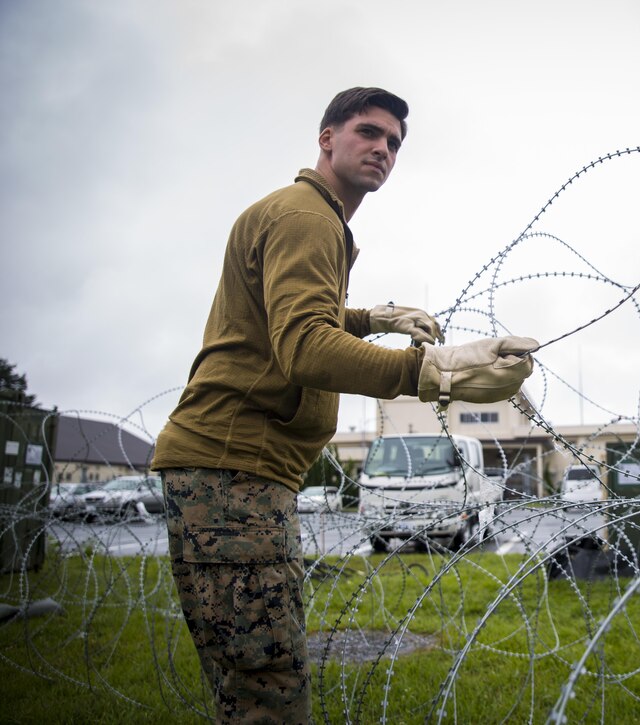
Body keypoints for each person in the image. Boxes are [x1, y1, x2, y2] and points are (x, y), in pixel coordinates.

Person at [152, 87, 536, 724]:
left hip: (237, 468)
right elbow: (303, 344)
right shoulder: (308, 218)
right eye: (368, 132)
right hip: (231, 468)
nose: (383, 149)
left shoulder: (313, 216)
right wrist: (435, 373)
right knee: (266, 684)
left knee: (252, 675)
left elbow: (302, 319)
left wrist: (373, 317)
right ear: (326, 137)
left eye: (394, 143)